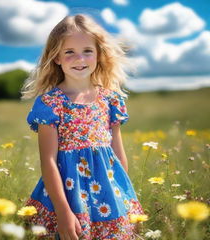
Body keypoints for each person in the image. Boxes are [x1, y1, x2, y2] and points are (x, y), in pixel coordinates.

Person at [20, 14, 145, 240]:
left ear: (98, 55)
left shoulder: (111, 100)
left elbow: (118, 155)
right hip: (67, 197)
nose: (80, 58)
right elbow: (48, 160)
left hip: (109, 197)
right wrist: (63, 211)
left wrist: (124, 199)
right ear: (56, 57)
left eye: (87, 50)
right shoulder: (50, 104)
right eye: (69, 52)